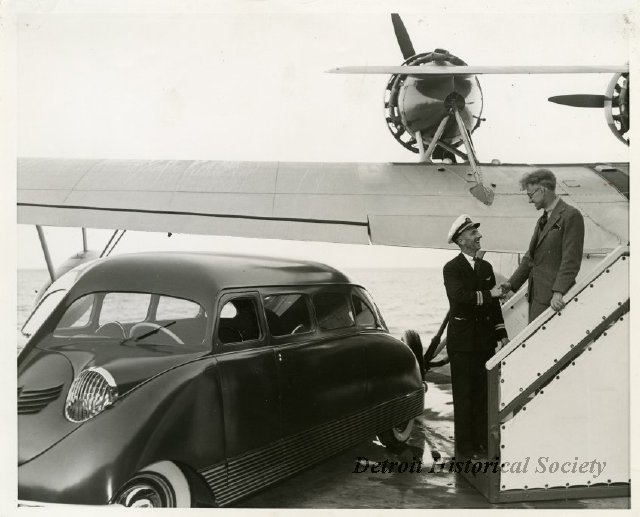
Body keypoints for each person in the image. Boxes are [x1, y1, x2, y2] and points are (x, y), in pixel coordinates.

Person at [443, 214, 509, 459]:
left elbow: (494, 306)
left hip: (483, 341)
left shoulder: (486, 267)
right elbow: (459, 297)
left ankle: (481, 443)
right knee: (463, 396)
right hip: (461, 343)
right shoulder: (451, 268)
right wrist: (489, 294)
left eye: (477, 233)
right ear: (461, 240)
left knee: (482, 395)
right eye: (473, 233)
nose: (479, 236)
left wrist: (501, 333)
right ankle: (464, 449)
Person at [500, 169, 585, 322]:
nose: (530, 200)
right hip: (538, 297)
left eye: (530, 195)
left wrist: (559, 292)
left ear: (542, 190)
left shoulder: (571, 216)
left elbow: (571, 259)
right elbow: (531, 257)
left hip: (554, 300)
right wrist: (511, 284)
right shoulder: (543, 219)